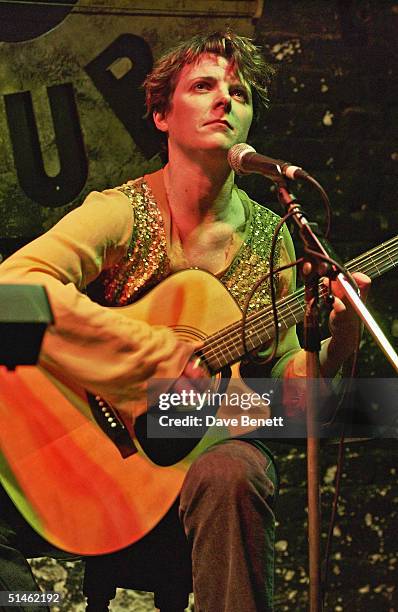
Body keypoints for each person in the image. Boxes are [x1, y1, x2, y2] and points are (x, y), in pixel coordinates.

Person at [0, 31, 369, 612]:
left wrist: (340, 340)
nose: (225, 99)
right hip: (89, 439)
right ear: (160, 114)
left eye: (239, 92)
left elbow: (291, 401)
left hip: (196, 455)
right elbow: (13, 286)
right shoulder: (122, 212)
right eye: (204, 86)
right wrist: (151, 354)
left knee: (237, 466)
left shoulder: (276, 238)